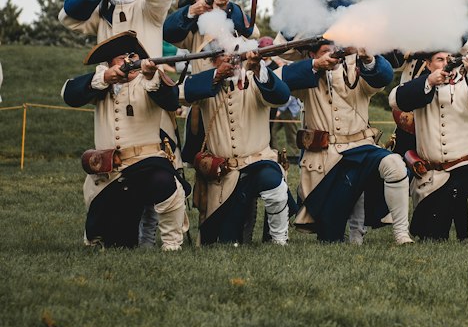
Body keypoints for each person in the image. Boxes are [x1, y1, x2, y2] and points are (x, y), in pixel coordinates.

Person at [61, 32, 188, 250]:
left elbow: (170, 99)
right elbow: (69, 94)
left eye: (132, 55)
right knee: (116, 243)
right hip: (112, 172)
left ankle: (172, 243)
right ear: (110, 64)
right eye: (122, 58)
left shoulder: (148, 82)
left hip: (147, 162)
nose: (129, 61)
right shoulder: (100, 84)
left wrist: (151, 75)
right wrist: (104, 78)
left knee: (164, 182)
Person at [278, 42, 412, 245]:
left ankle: (401, 233)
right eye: (325, 52)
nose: (332, 55)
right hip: (326, 159)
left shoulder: (357, 73)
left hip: (362, 147)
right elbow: (281, 80)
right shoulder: (307, 77)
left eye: (334, 50)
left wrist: (368, 58)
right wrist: (316, 65)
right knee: (330, 237)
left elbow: (383, 76)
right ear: (313, 55)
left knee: (395, 164)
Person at [391, 49, 468, 240]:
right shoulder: (422, 85)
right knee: (433, 237)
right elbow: (396, 100)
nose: (445, 62)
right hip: (434, 175)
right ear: (428, 64)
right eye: (439, 59)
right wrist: (430, 81)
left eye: (448, 59)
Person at [179, 44, 293, 245]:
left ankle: (279, 239)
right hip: (225, 173)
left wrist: (258, 68)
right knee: (225, 241)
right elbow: (179, 94)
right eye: (223, 57)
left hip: (259, 161)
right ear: (213, 62)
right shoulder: (205, 85)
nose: (231, 60)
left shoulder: (254, 80)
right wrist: (216, 76)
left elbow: (281, 95)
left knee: (274, 187)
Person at [163, 0, 255, 60]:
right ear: (194, 2)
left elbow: (252, 31)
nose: (207, 1)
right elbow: (167, 31)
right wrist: (191, 11)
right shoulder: (192, 30)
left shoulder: (231, 18)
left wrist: (226, 7)